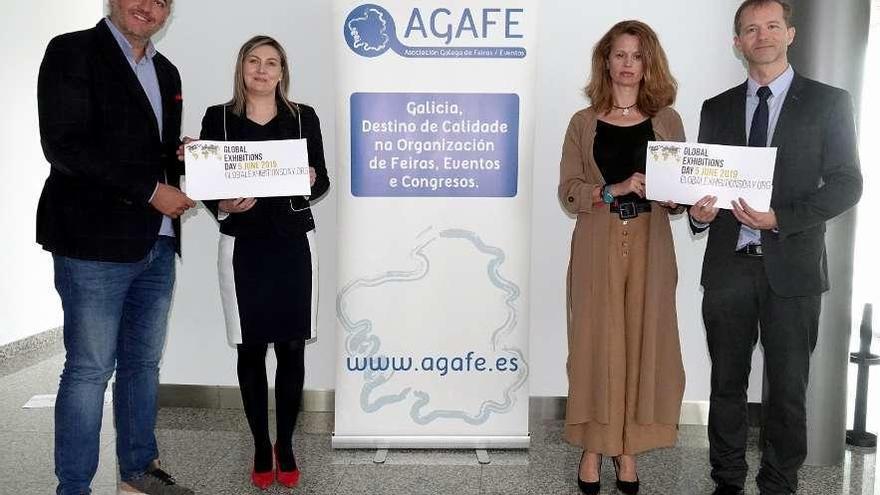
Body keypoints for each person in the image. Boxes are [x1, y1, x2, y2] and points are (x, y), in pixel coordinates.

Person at [688, 1, 863, 494]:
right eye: (750, 29)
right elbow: (706, 187)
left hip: (794, 267)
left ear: (790, 33)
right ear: (737, 43)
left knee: (787, 390)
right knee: (726, 383)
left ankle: (779, 483)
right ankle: (726, 481)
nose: (760, 35)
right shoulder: (716, 107)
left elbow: (847, 184)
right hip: (728, 266)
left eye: (770, 26)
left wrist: (780, 219)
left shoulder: (830, 102)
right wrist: (698, 214)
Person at [36, 0, 196, 494]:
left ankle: (138, 473)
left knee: (144, 366)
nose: (148, 7)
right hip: (92, 244)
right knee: (88, 371)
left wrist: (183, 155)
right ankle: (75, 487)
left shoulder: (165, 70)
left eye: (162, 1)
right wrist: (151, 189)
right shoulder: (72, 51)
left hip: (158, 243)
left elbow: (150, 150)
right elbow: (65, 146)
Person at [558, 20, 686, 495]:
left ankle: (627, 449)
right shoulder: (582, 121)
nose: (628, 64)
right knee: (595, 346)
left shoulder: (668, 120)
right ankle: (594, 447)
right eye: (619, 55)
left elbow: (681, 193)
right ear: (606, 61)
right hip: (596, 244)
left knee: (642, 346)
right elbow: (568, 191)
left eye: (637, 55)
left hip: (652, 244)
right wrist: (612, 189)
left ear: (647, 62)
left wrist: (675, 197)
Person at [197, 35, 330, 490]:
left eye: (271, 63)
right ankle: (259, 444)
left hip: (293, 244)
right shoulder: (219, 118)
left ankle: (286, 445)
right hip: (243, 246)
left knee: (292, 347)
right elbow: (207, 182)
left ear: (282, 72)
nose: (261, 70)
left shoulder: (302, 117)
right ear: (242, 68)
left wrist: (310, 180)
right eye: (253, 61)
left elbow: (322, 178)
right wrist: (224, 204)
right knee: (250, 349)